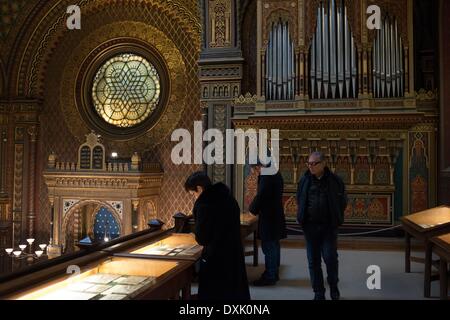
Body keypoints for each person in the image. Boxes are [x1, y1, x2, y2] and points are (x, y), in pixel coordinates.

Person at [184, 171, 250, 300]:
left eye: (193, 194)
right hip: (234, 252)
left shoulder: (204, 205)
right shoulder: (229, 198)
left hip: (215, 257)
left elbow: (202, 238)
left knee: (214, 292)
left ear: (199, 188)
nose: (194, 197)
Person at [296, 151, 348, 300]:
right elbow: (300, 198)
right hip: (310, 227)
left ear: (323, 164)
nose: (310, 167)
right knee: (313, 261)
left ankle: (333, 287)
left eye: (314, 164)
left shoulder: (335, 181)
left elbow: (342, 201)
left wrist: (335, 216)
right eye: (309, 164)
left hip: (328, 227)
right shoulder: (305, 180)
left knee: (330, 258)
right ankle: (318, 292)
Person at [249, 162, 286, 286]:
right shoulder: (275, 173)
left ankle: (270, 276)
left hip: (269, 216)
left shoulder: (267, 175)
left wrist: (252, 209)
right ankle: (273, 272)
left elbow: (261, 195)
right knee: (274, 245)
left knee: (269, 246)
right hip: (275, 215)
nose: (256, 171)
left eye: (256, 168)